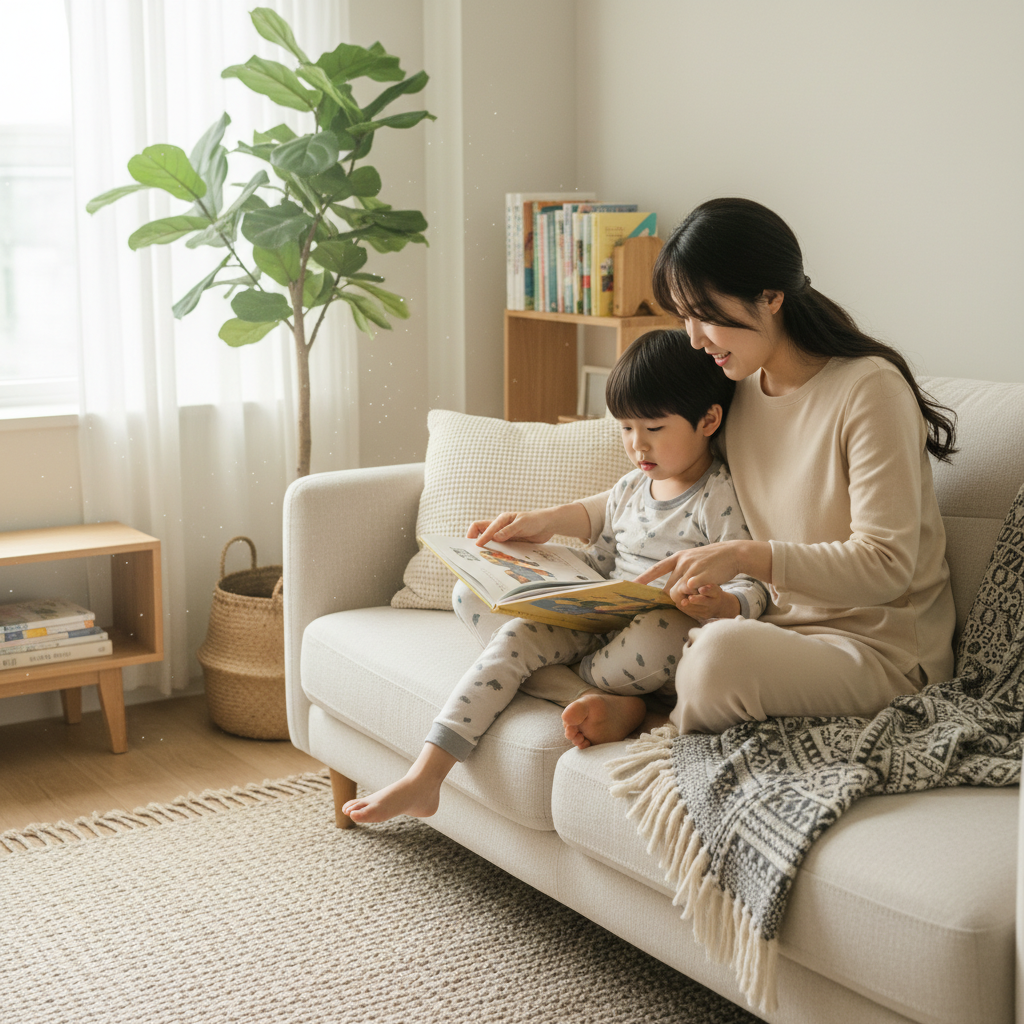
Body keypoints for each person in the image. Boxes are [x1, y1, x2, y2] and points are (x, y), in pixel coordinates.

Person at [556, 197, 958, 745]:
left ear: (770, 297)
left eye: (703, 314)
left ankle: (648, 720)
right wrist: (556, 520)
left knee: (717, 656)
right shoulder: (736, 390)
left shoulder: (870, 390)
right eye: (683, 318)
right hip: (768, 627)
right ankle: (635, 707)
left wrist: (744, 556)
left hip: (880, 650)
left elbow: (886, 565)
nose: (694, 338)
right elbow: (672, 476)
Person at [342, 329, 768, 823]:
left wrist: (722, 603)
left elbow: (753, 584)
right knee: (476, 597)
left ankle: (605, 695)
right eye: (626, 429)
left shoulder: (718, 496)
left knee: (666, 629)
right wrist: (534, 561)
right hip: (594, 623)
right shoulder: (633, 485)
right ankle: (427, 774)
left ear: (708, 420)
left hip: (649, 642)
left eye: (652, 428)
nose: (636, 445)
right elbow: (602, 553)